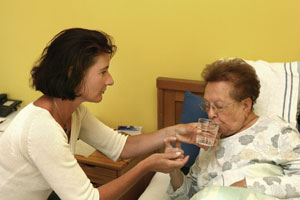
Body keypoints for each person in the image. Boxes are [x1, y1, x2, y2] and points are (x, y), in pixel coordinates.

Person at [0, 28, 200, 200]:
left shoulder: (75, 112)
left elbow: (122, 147)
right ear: (73, 73)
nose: (110, 80)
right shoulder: (41, 128)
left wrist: (177, 131)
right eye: (103, 72)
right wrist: (145, 166)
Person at [166, 58, 300, 199]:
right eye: (206, 105)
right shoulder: (208, 141)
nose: (210, 114)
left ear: (245, 105)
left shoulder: (275, 130)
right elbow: (191, 195)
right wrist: (174, 171)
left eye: (219, 106)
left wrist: (246, 185)